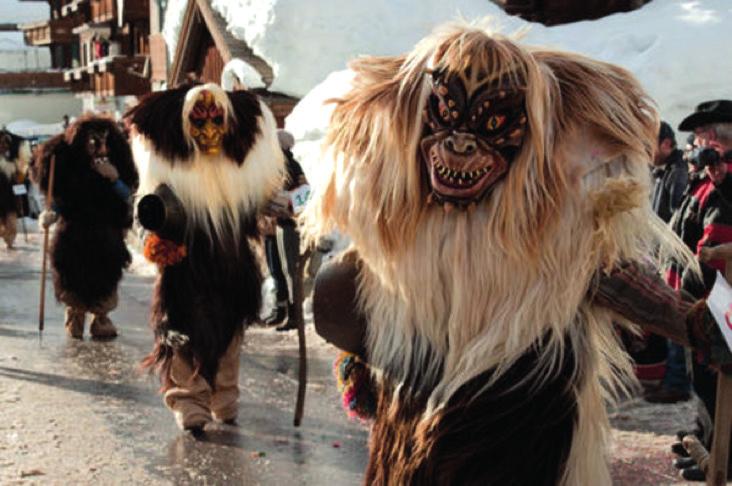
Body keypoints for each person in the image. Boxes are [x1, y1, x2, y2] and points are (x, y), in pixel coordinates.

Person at [304, 24, 731, 485]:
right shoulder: (401, 228)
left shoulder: (555, 234)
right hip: (412, 429)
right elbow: (344, 304)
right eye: (446, 119)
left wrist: (704, 327)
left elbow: (620, 279)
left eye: (491, 123)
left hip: (520, 432)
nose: (460, 146)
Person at [128, 83, 284, 434]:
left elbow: (258, 204)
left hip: (232, 263)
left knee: (230, 332)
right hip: (186, 266)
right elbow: (152, 211)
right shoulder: (172, 173)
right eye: (200, 123)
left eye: (217, 121)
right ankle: (188, 398)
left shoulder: (241, 174)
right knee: (180, 332)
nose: (210, 132)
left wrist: (272, 206)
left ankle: (224, 397)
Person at [666, 99, 732, 481]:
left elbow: (717, 236)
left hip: (718, 301)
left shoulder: (724, 180)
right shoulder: (708, 178)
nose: (698, 143)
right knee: (703, 384)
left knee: (717, 383)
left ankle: (724, 455)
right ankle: (707, 443)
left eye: (706, 135)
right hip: (699, 301)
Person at [34, 116, 138, 339]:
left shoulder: (118, 165)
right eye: (94, 143)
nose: (101, 150)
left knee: (106, 280)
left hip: (107, 235)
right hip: (74, 236)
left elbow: (129, 197)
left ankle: (100, 316)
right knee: (73, 279)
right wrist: (50, 213)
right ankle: (76, 311)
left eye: (104, 144)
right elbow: (60, 199)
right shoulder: (69, 169)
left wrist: (115, 179)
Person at [643, 121, 691, 404]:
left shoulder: (679, 174)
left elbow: (677, 220)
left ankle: (677, 383)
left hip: (676, 259)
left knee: (677, 319)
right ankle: (671, 378)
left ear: (666, 144)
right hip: (661, 256)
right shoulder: (660, 172)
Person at [262, 129, 309, 331]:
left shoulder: (291, 166)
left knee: (290, 271)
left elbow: (304, 193)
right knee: (279, 270)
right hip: (276, 225)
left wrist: (286, 206)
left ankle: (294, 314)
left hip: (287, 225)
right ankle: (284, 310)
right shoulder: (276, 165)